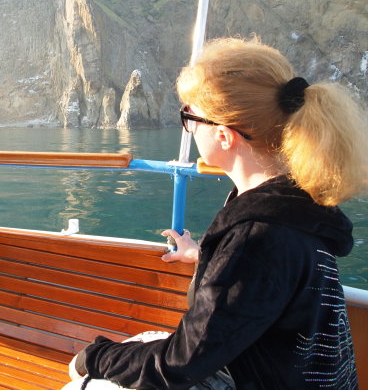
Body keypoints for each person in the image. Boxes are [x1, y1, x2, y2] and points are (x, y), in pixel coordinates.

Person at [66, 37, 368, 389]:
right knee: (144, 343)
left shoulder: (258, 236)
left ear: (224, 136)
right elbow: (263, 280)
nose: (189, 126)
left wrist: (94, 357)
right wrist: (207, 256)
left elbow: (180, 363)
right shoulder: (298, 204)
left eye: (190, 117)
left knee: (87, 380)